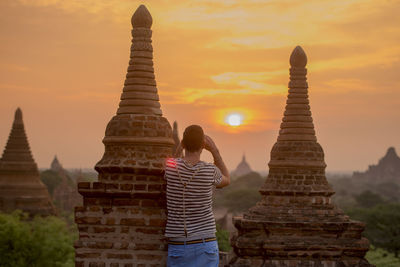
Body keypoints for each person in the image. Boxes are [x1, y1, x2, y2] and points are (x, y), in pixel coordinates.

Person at [164, 125, 230, 267]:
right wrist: (215, 151)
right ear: (203, 145)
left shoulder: (170, 168)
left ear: (183, 143)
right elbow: (226, 179)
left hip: (179, 245)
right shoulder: (210, 170)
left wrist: (179, 147)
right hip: (205, 243)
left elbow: (173, 160)